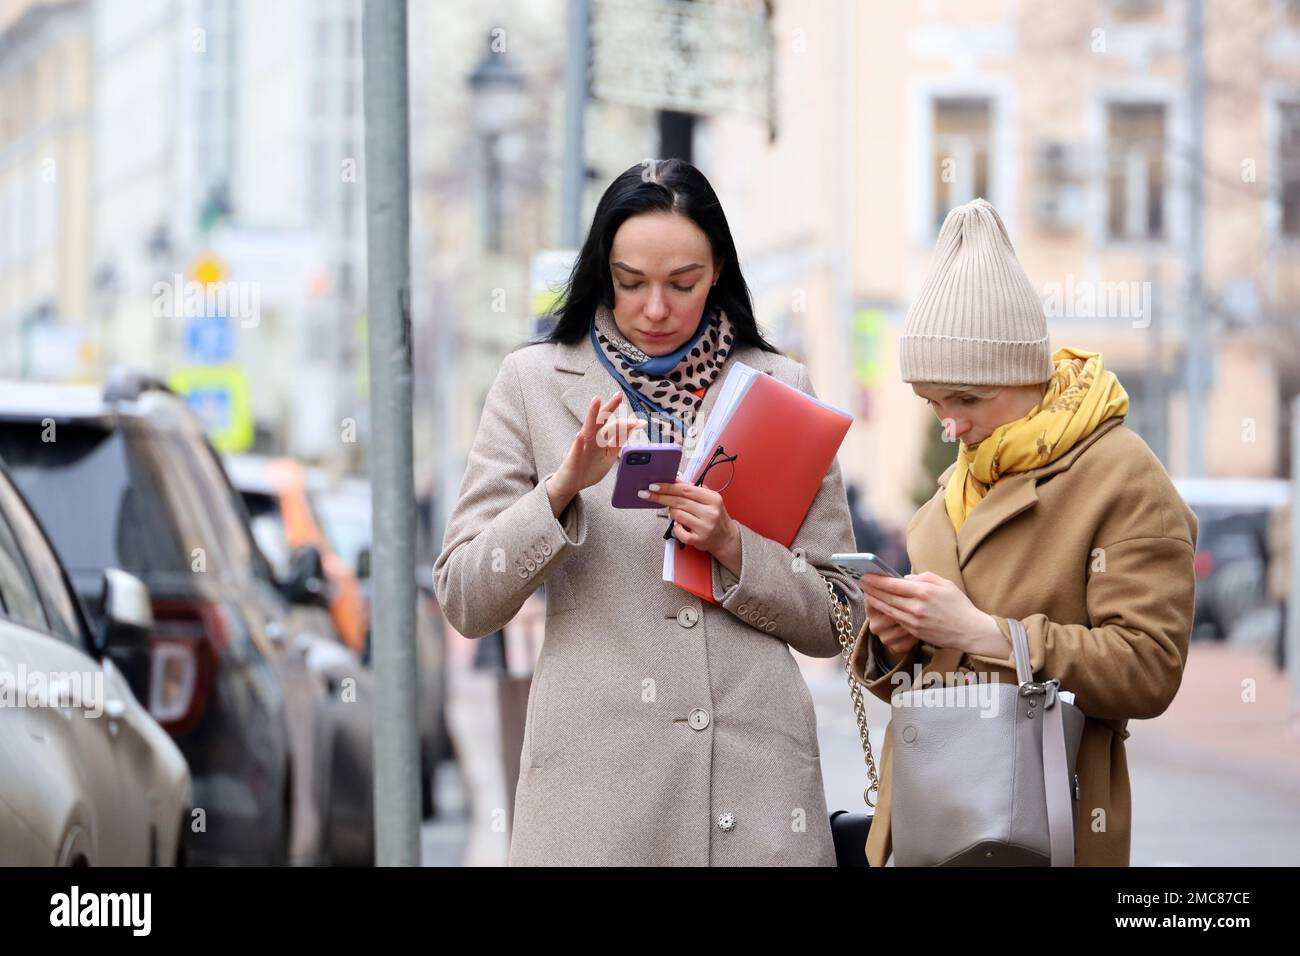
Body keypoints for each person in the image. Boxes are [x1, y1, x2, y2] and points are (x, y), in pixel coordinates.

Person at [433, 158, 866, 865]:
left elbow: (837, 620)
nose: (655, 309)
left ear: (719, 267)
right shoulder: (534, 383)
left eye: (683, 283)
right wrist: (561, 489)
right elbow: (464, 597)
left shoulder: (782, 388)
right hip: (597, 808)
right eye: (631, 283)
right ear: (604, 270)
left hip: (752, 800)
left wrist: (736, 547)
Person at [848, 198, 1198, 866]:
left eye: (967, 399)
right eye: (932, 402)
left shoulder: (1124, 478)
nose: (948, 425)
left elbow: (1151, 670)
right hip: (929, 825)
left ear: (1027, 376)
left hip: (1045, 826)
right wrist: (896, 643)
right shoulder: (961, 481)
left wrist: (986, 633)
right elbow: (925, 680)